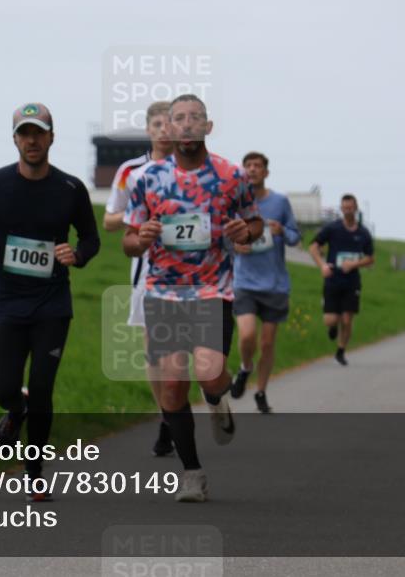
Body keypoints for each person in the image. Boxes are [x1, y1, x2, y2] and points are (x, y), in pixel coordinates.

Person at [0, 102, 100, 501]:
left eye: (39, 132)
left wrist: (78, 254)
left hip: (53, 305)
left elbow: (91, 237)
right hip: (9, 304)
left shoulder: (70, 188)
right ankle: (13, 412)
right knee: (4, 389)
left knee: (41, 388)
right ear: (15, 139)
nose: (32, 140)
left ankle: (34, 471)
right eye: (25, 133)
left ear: (52, 137)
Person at [123, 93, 262, 502]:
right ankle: (192, 473)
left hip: (211, 290)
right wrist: (140, 238)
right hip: (163, 292)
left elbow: (254, 222)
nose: (185, 124)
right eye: (178, 118)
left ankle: (217, 398)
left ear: (208, 126)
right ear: (168, 127)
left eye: (194, 118)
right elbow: (129, 241)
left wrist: (246, 232)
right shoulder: (147, 179)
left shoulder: (231, 175)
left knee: (209, 372)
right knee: (171, 387)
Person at [102, 101, 176, 456]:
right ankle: (168, 420)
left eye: (169, 124)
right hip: (147, 270)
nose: (164, 130)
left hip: (191, 269)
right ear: (148, 129)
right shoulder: (130, 171)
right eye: (157, 124)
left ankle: (197, 401)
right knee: (154, 352)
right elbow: (109, 220)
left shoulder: (193, 168)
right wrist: (138, 219)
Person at [229, 151, 301, 413]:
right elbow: (221, 237)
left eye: (257, 166)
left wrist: (283, 231)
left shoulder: (280, 202)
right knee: (247, 335)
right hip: (245, 281)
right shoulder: (235, 202)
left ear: (266, 172)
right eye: (248, 166)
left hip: (275, 283)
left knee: (268, 343)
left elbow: (295, 237)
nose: (252, 169)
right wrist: (236, 244)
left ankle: (261, 391)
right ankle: (245, 368)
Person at [308, 194, 375, 366]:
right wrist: (322, 265)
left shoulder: (363, 233)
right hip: (333, 280)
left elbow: (370, 258)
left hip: (352, 282)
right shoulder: (333, 228)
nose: (347, 211)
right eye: (344, 208)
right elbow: (314, 247)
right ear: (341, 209)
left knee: (347, 319)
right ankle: (332, 327)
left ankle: (341, 350)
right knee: (331, 320)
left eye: (350, 208)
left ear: (356, 208)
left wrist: (354, 264)